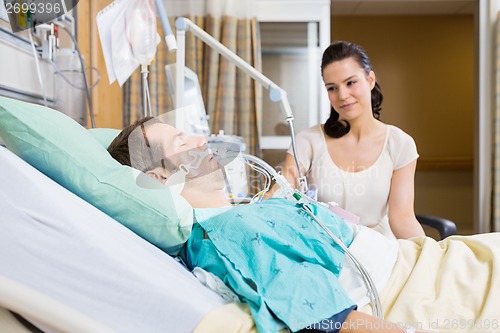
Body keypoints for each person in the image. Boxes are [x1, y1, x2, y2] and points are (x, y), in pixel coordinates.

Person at [108, 117, 429, 333]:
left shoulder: (242, 214)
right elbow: (331, 319)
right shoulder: (228, 233)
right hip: (411, 283)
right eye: (181, 142)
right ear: (160, 178)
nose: (201, 140)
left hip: (415, 259)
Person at [268, 41, 424, 240]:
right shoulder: (308, 141)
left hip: (378, 253)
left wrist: (428, 256)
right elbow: (278, 195)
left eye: (351, 83)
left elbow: (402, 218)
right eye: (332, 88)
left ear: (370, 80)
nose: (342, 95)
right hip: (323, 250)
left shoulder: (400, 144)